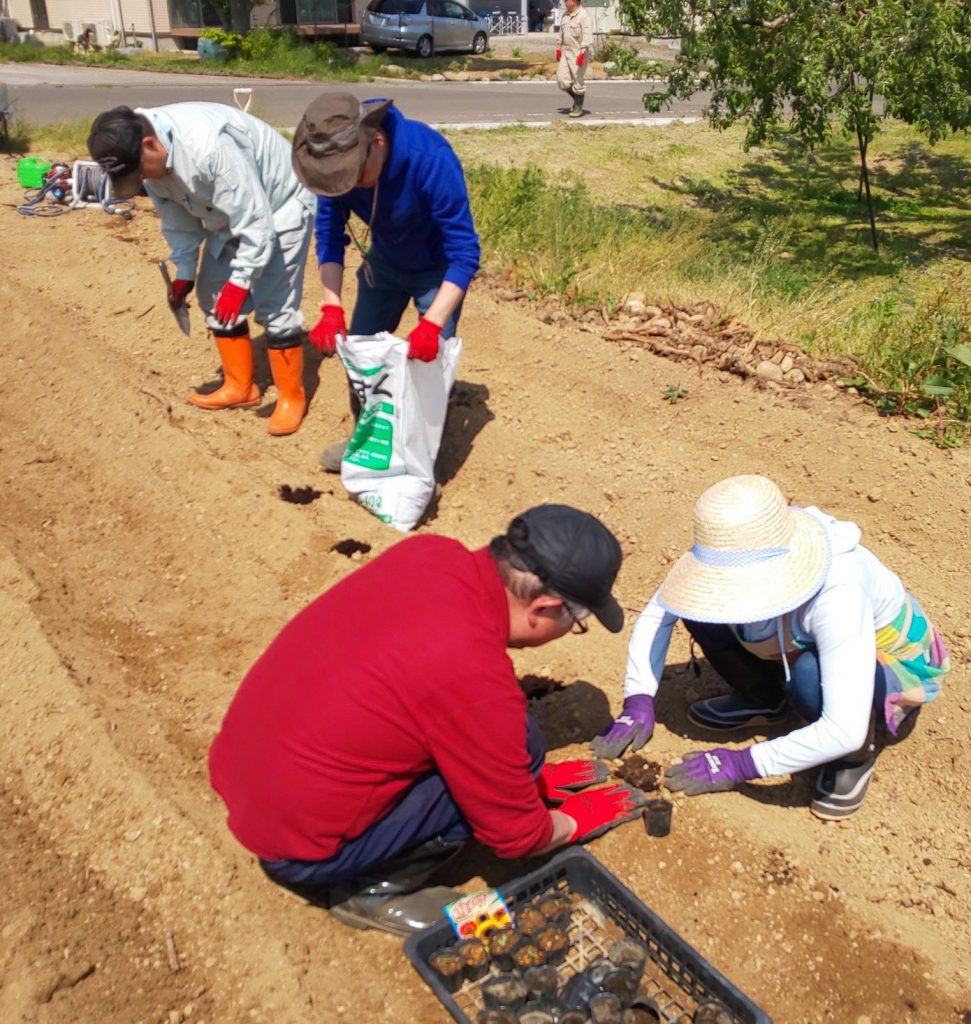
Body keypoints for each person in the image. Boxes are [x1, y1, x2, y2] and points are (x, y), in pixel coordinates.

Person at [209, 504, 643, 935]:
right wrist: (571, 821)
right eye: (578, 621)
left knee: (514, 742)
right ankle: (374, 890)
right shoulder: (475, 677)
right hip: (300, 847)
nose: (572, 629)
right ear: (544, 607)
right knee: (518, 748)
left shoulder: (430, 554)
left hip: (248, 773)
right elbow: (515, 837)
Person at [593, 475, 950, 820]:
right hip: (799, 640)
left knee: (812, 677)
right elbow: (660, 611)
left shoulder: (839, 593)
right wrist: (638, 699)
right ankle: (763, 698)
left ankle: (855, 760)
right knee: (701, 610)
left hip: (888, 667)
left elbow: (844, 727)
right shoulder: (734, 544)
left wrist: (742, 763)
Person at [87, 104, 315, 436]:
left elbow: (255, 221)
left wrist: (241, 282)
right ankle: (240, 387)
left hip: (280, 204)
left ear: (151, 144)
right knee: (213, 293)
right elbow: (177, 218)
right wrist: (184, 271)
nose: (144, 179)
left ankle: (291, 398)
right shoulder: (150, 163)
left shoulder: (209, 149)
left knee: (274, 305)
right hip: (227, 211)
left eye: (140, 170)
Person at [290, 93, 481, 472]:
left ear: (376, 142)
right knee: (360, 353)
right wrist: (331, 306)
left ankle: (419, 459)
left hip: (437, 270)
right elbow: (329, 236)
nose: (350, 186)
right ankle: (366, 438)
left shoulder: (430, 159)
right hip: (387, 262)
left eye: (356, 176)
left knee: (429, 368)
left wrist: (431, 325)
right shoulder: (338, 170)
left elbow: (464, 253)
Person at [556, 0, 594, 118]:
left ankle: (578, 106)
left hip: (578, 52)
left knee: (578, 81)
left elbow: (587, 36)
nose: (564, 2)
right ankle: (578, 98)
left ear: (573, 1)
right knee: (562, 80)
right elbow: (560, 33)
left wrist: (582, 53)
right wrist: (558, 46)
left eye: (566, 0)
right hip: (566, 52)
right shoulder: (565, 15)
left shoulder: (584, 16)